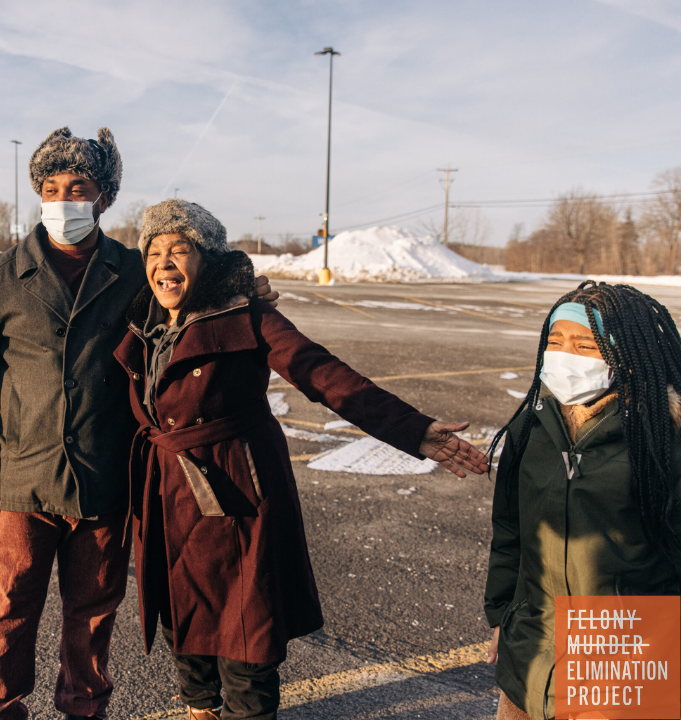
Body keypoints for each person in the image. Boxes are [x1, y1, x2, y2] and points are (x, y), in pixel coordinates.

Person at [0, 128, 278, 720]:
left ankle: (84, 710)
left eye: (78, 188)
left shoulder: (135, 271)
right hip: (18, 482)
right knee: (5, 614)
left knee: (91, 618)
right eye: (51, 188)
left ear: (104, 198)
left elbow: (190, 300)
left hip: (104, 480)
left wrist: (244, 290)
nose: (63, 200)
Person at [114, 199, 489, 720]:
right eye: (154, 252)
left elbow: (322, 373)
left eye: (179, 249)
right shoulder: (140, 321)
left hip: (236, 491)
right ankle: (200, 706)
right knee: (183, 607)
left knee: (246, 627)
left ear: (207, 259)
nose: (164, 263)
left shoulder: (247, 315)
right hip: (166, 489)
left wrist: (414, 430)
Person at [484, 282, 681, 720]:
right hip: (531, 656)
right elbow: (511, 533)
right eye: (555, 342)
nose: (564, 356)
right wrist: (502, 617)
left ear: (623, 355)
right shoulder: (529, 429)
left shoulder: (661, 440)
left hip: (623, 663)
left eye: (585, 345)